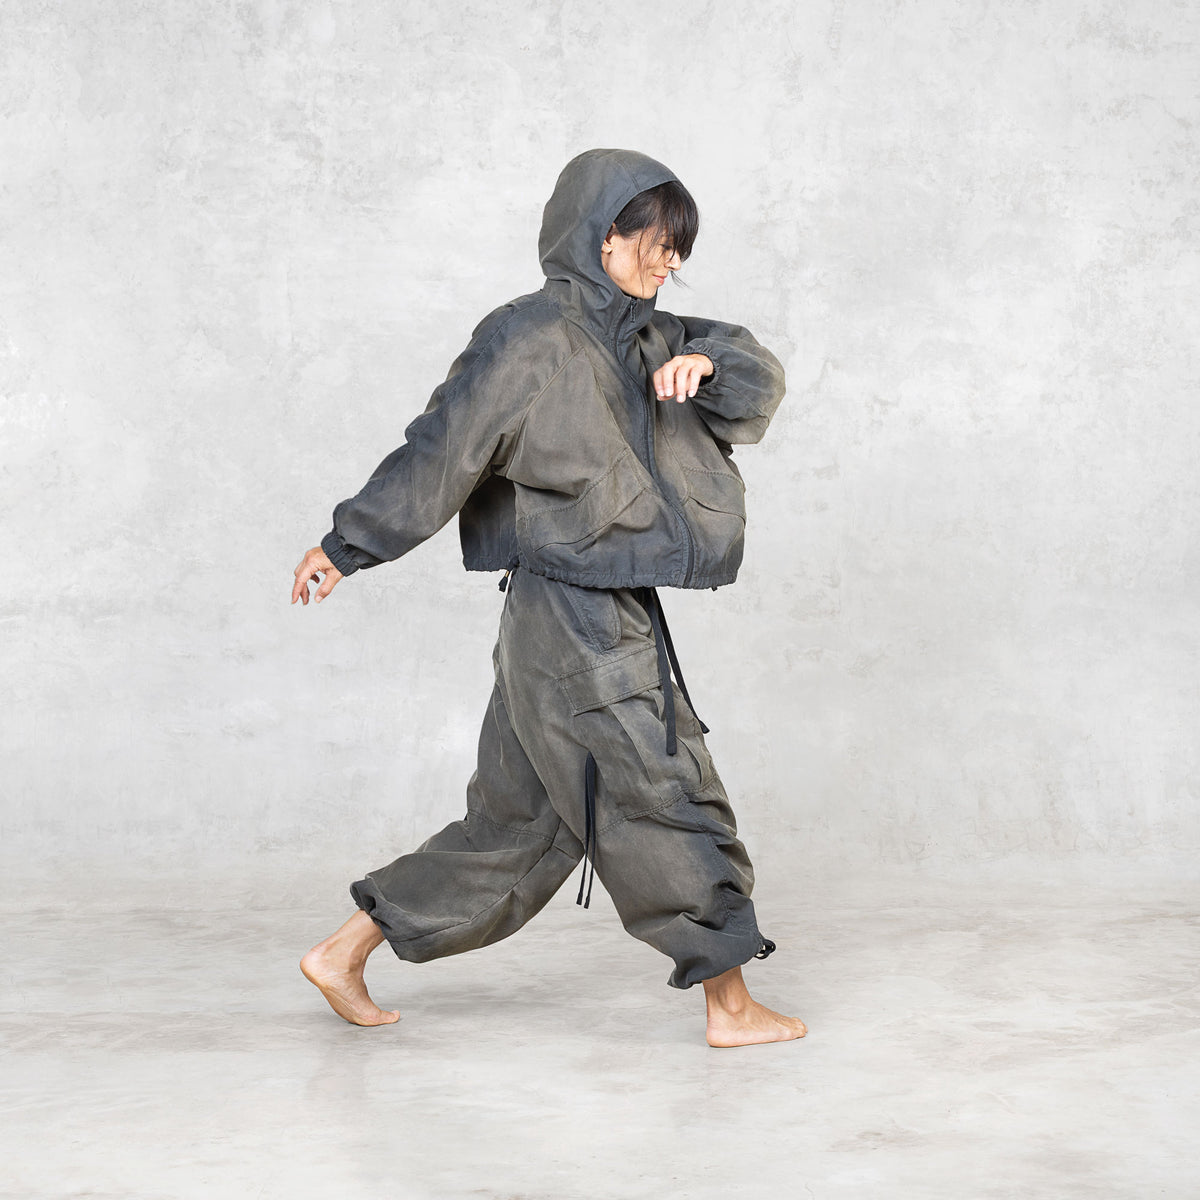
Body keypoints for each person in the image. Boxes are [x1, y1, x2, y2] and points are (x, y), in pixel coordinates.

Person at [291, 148, 806, 1048]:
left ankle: (342, 952)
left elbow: (756, 375)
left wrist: (706, 366)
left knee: (519, 828)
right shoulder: (528, 338)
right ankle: (730, 1007)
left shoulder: (655, 337)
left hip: (592, 610)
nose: (668, 262)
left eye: (677, 250)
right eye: (655, 244)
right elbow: (441, 449)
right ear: (604, 238)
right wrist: (347, 545)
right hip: (572, 614)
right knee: (666, 792)